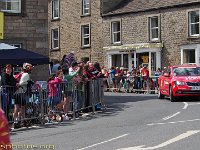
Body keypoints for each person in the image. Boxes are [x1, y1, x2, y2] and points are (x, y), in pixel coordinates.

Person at [13, 63, 33, 128]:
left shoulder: (20, 73)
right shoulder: (27, 74)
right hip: (21, 92)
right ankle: (20, 121)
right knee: (22, 107)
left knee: (16, 107)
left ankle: (15, 121)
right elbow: (23, 82)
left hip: (16, 92)